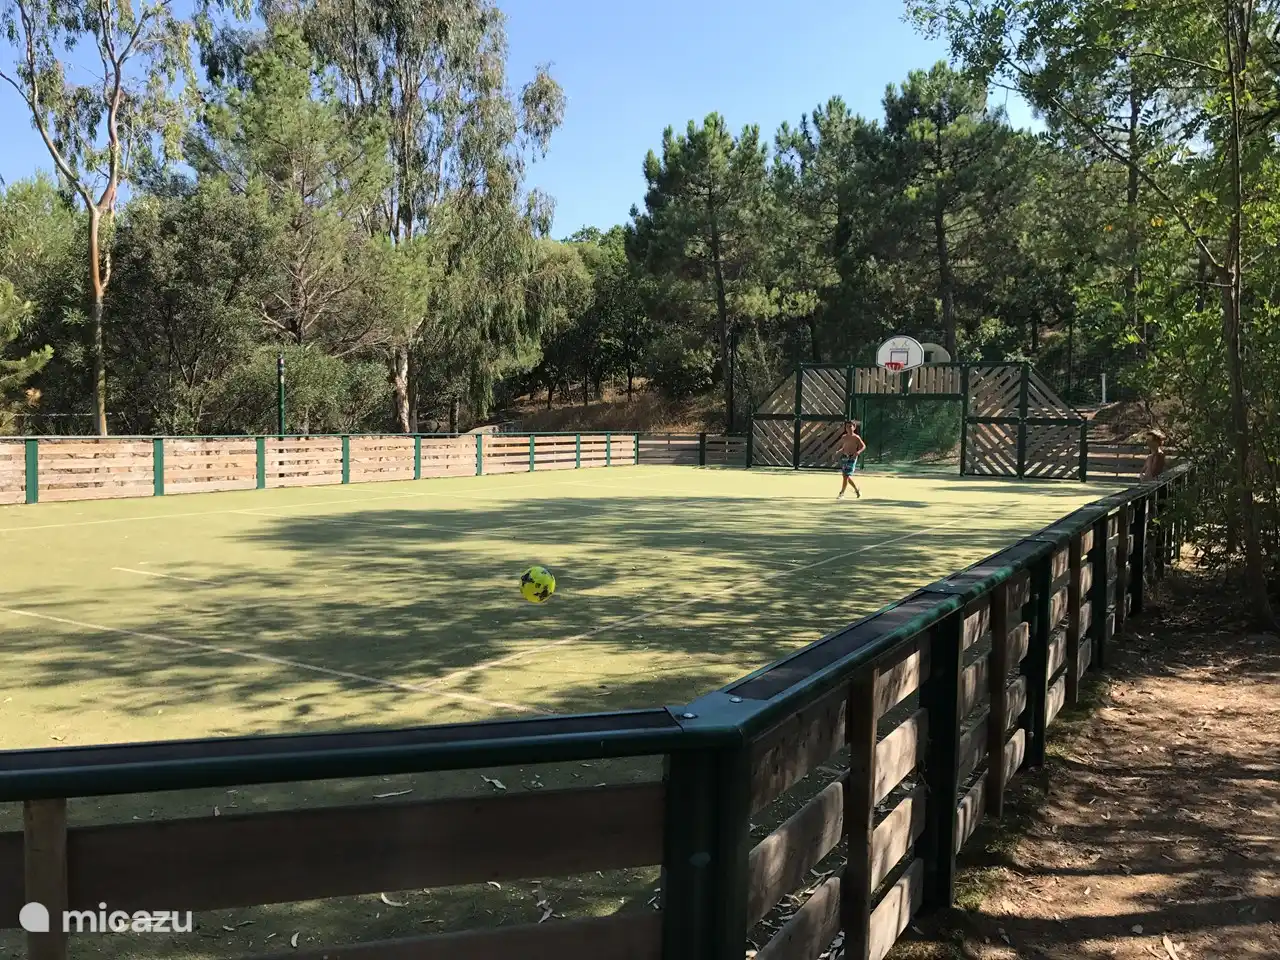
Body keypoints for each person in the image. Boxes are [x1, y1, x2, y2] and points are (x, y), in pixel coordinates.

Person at [836, 420, 866, 500]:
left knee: (845, 476)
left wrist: (857, 453)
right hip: (845, 458)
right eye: (847, 426)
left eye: (850, 426)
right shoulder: (844, 437)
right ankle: (857, 490)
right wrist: (839, 452)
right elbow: (844, 447)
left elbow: (863, 446)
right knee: (846, 476)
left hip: (852, 458)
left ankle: (841, 493)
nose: (848, 428)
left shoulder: (856, 437)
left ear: (854, 427)